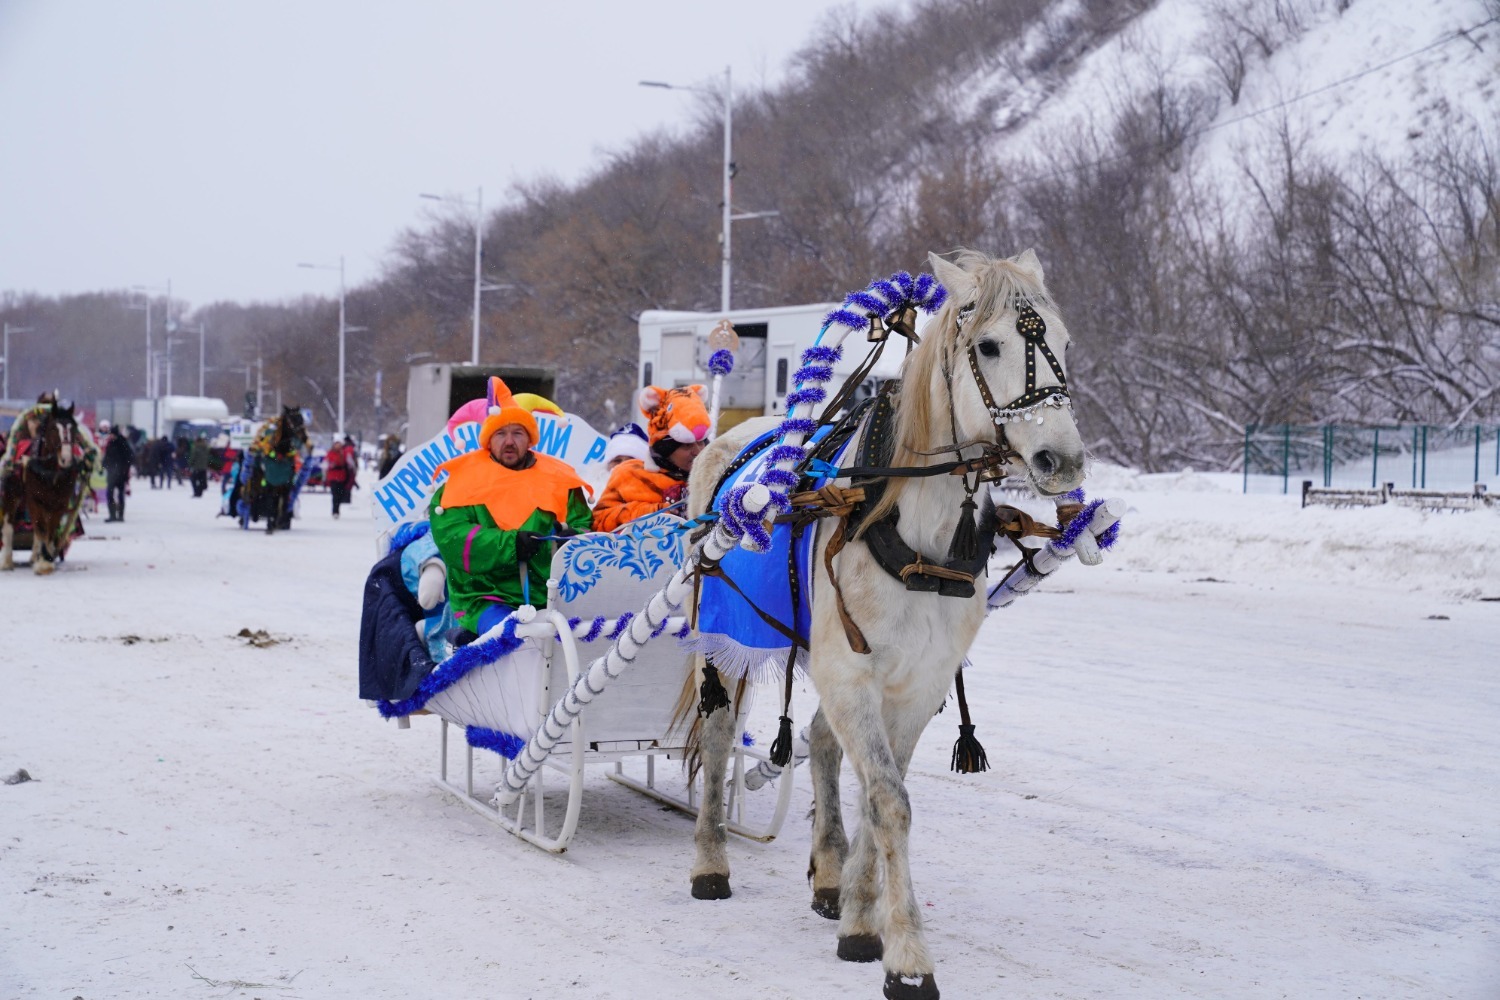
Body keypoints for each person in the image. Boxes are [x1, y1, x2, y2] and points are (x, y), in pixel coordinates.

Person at [428, 384, 593, 644]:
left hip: (552, 596)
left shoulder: (560, 479)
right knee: (515, 640)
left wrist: (574, 539)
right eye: (500, 433)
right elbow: (452, 536)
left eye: (517, 433)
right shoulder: (461, 482)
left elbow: (582, 524)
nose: (509, 441)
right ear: (487, 439)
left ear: (530, 438)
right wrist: (511, 545)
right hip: (485, 596)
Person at [592, 385, 709, 532]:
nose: (697, 451)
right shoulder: (630, 474)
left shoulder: (714, 479)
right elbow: (599, 522)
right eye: (686, 445)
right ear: (666, 450)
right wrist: (654, 513)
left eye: (701, 442)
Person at [102, 422, 135, 522]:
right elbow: (107, 457)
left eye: (111, 434)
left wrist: (125, 468)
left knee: (119, 494)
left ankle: (119, 516)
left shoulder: (122, 443)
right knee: (111, 494)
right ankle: (113, 515)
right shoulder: (111, 444)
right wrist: (104, 466)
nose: (110, 436)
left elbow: (129, 457)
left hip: (121, 473)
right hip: (113, 473)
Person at [325, 436, 352, 518]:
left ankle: (337, 508)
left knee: (340, 494)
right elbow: (326, 464)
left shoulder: (344, 453)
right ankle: (335, 511)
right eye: (336, 444)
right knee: (335, 494)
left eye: (339, 444)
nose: (338, 446)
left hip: (342, 476)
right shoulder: (330, 453)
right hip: (333, 476)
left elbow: (349, 463)